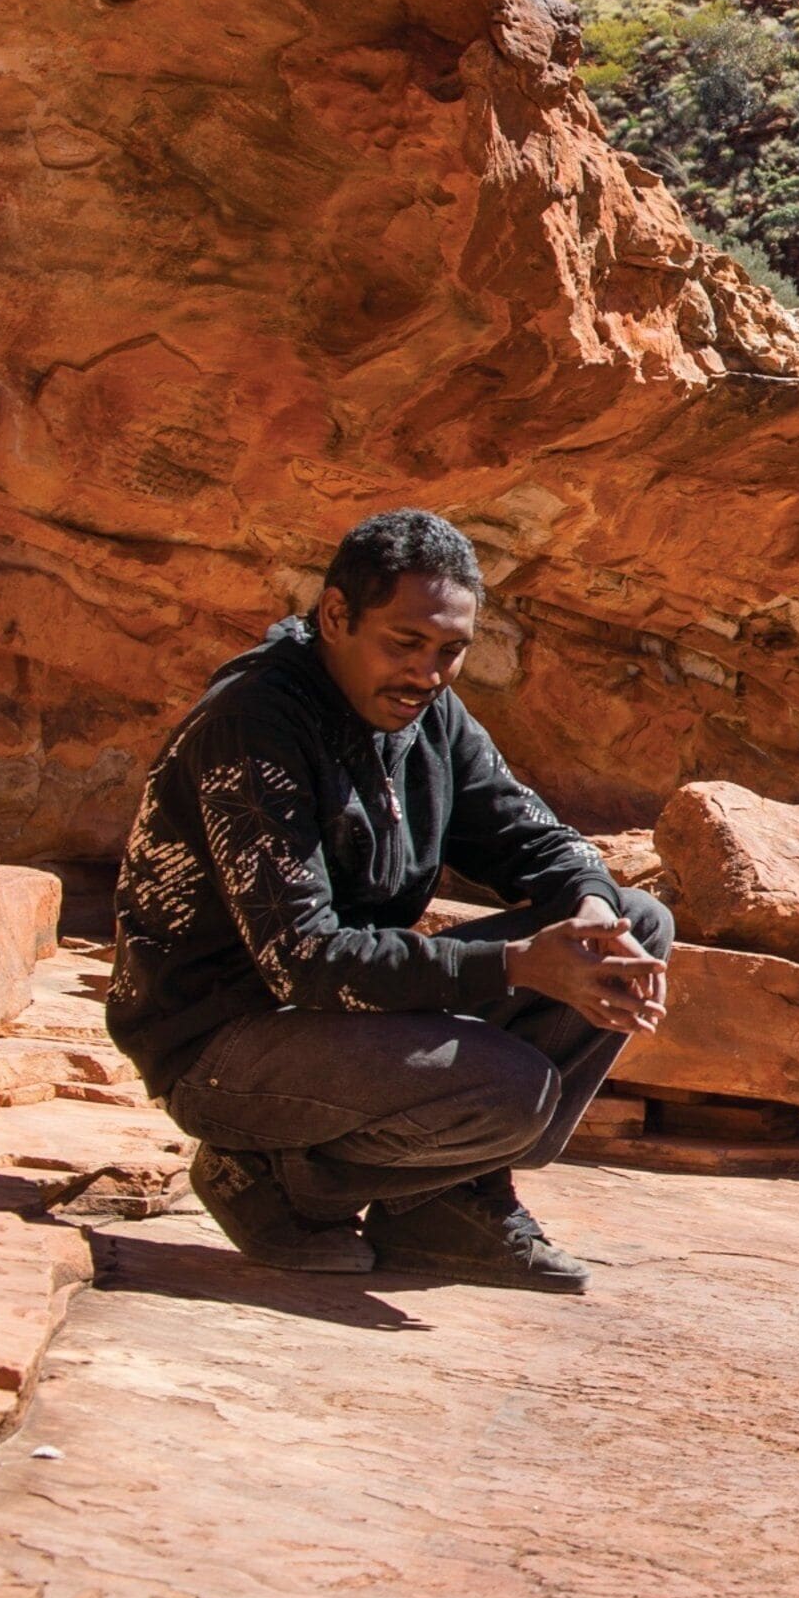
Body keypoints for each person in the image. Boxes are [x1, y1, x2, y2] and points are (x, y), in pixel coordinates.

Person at [108, 510, 675, 1291]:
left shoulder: (428, 713)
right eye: (405, 643)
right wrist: (515, 965)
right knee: (510, 1091)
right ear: (337, 616)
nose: (427, 672)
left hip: (343, 1021)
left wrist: (586, 908)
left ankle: (439, 1204)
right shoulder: (253, 725)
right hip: (223, 1038)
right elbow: (303, 960)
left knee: (635, 921)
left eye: (451, 652)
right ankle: (273, 1178)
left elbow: (537, 837)